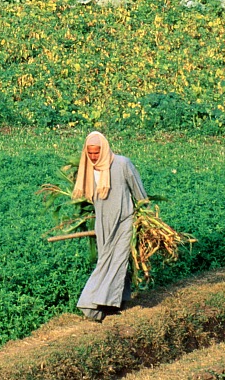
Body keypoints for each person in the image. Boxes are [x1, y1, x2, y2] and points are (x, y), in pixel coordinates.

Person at [72, 131, 148, 322]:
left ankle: (90, 304)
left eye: (97, 153)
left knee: (118, 261)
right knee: (106, 260)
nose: (94, 157)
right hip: (103, 225)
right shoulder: (89, 169)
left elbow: (138, 190)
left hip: (124, 221)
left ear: (104, 149)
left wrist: (144, 213)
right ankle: (118, 301)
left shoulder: (122, 163)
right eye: (90, 154)